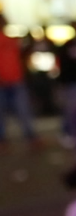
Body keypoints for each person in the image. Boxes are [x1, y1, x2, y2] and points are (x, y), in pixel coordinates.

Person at [0, 14, 37, 149]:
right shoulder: (12, 40)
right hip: (6, 82)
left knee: (23, 110)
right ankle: (4, 139)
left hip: (16, 80)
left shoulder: (12, 40)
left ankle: (30, 136)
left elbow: (25, 51)